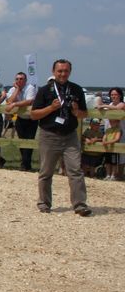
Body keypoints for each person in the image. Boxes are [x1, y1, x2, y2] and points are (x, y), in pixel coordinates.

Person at [30, 59, 91, 216]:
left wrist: (77, 111)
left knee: (75, 171)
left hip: (70, 136)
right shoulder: (45, 91)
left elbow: (84, 114)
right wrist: (51, 107)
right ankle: (44, 203)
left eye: (66, 71)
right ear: (53, 71)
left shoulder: (76, 89)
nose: (63, 74)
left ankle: (80, 205)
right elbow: (33, 114)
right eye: (60, 71)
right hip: (49, 136)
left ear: (70, 71)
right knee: (46, 172)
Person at [5, 72, 39, 171]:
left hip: (31, 119)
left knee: (29, 141)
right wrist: (17, 89)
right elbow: (9, 101)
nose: (19, 81)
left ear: (25, 80)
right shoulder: (13, 89)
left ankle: (25, 164)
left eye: (21, 79)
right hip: (20, 118)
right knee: (21, 141)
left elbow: (29, 101)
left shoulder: (30, 88)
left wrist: (15, 105)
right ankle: (25, 163)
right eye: (17, 79)